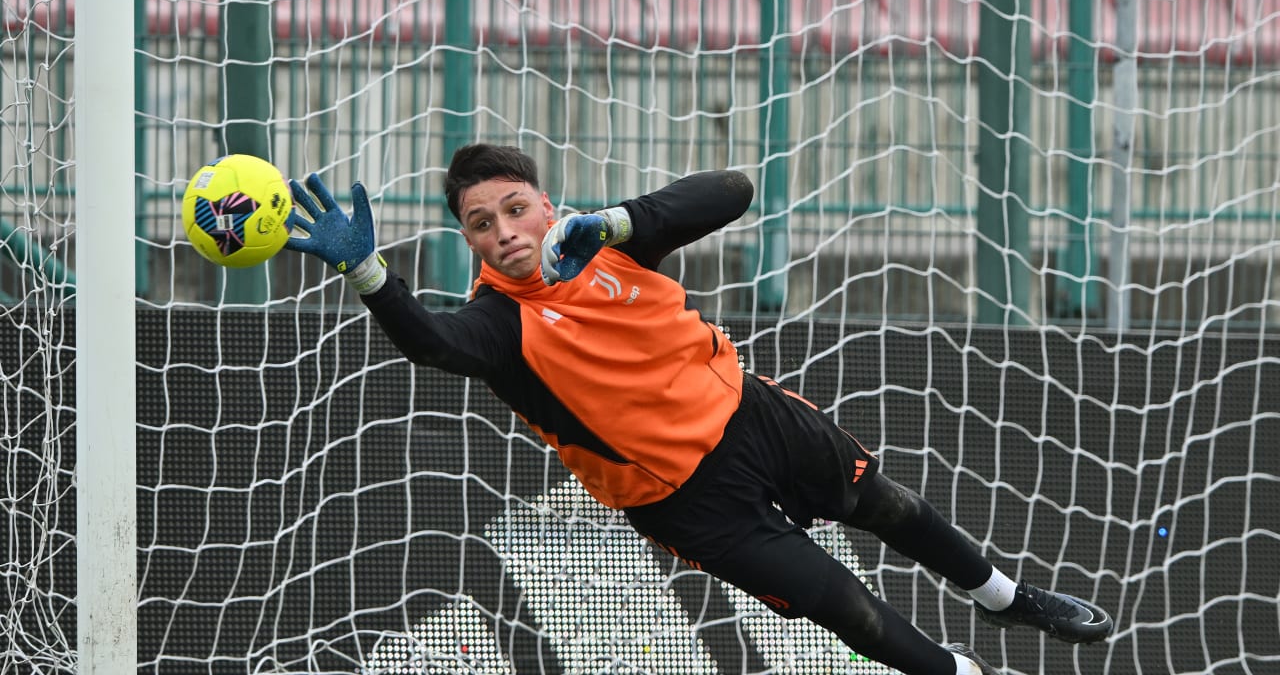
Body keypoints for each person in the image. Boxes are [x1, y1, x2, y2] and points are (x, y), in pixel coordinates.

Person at [282, 143, 1114, 675]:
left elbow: (734, 188)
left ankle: (1008, 597)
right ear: (468, 243)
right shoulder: (498, 322)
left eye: (513, 208)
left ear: (544, 203)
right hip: (686, 499)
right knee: (841, 605)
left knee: (892, 506)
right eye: (478, 224)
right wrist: (370, 275)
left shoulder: (605, 242)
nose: (502, 231)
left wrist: (617, 221)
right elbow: (434, 345)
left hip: (751, 412)